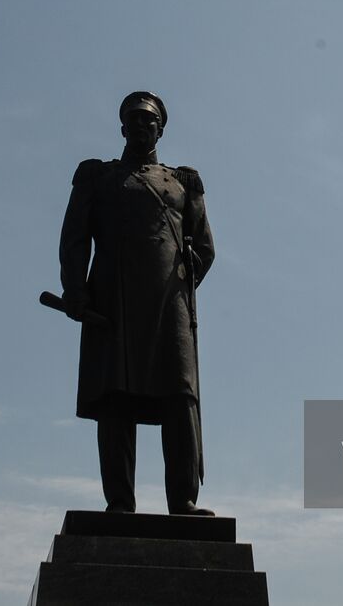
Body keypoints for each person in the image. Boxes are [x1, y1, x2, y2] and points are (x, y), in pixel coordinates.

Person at [58, 91, 216, 515]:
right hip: (114, 302)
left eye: (150, 122)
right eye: (134, 121)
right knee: (115, 399)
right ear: (122, 128)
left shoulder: (183, 182)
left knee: (180, 397)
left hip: (169, 306)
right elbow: (75, 239)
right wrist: (76, 290)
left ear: (160, 129)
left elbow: (204, 246)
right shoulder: (99, 178)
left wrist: (182, 283)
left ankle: (182, 500)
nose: (142, 128)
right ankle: (119, 503)